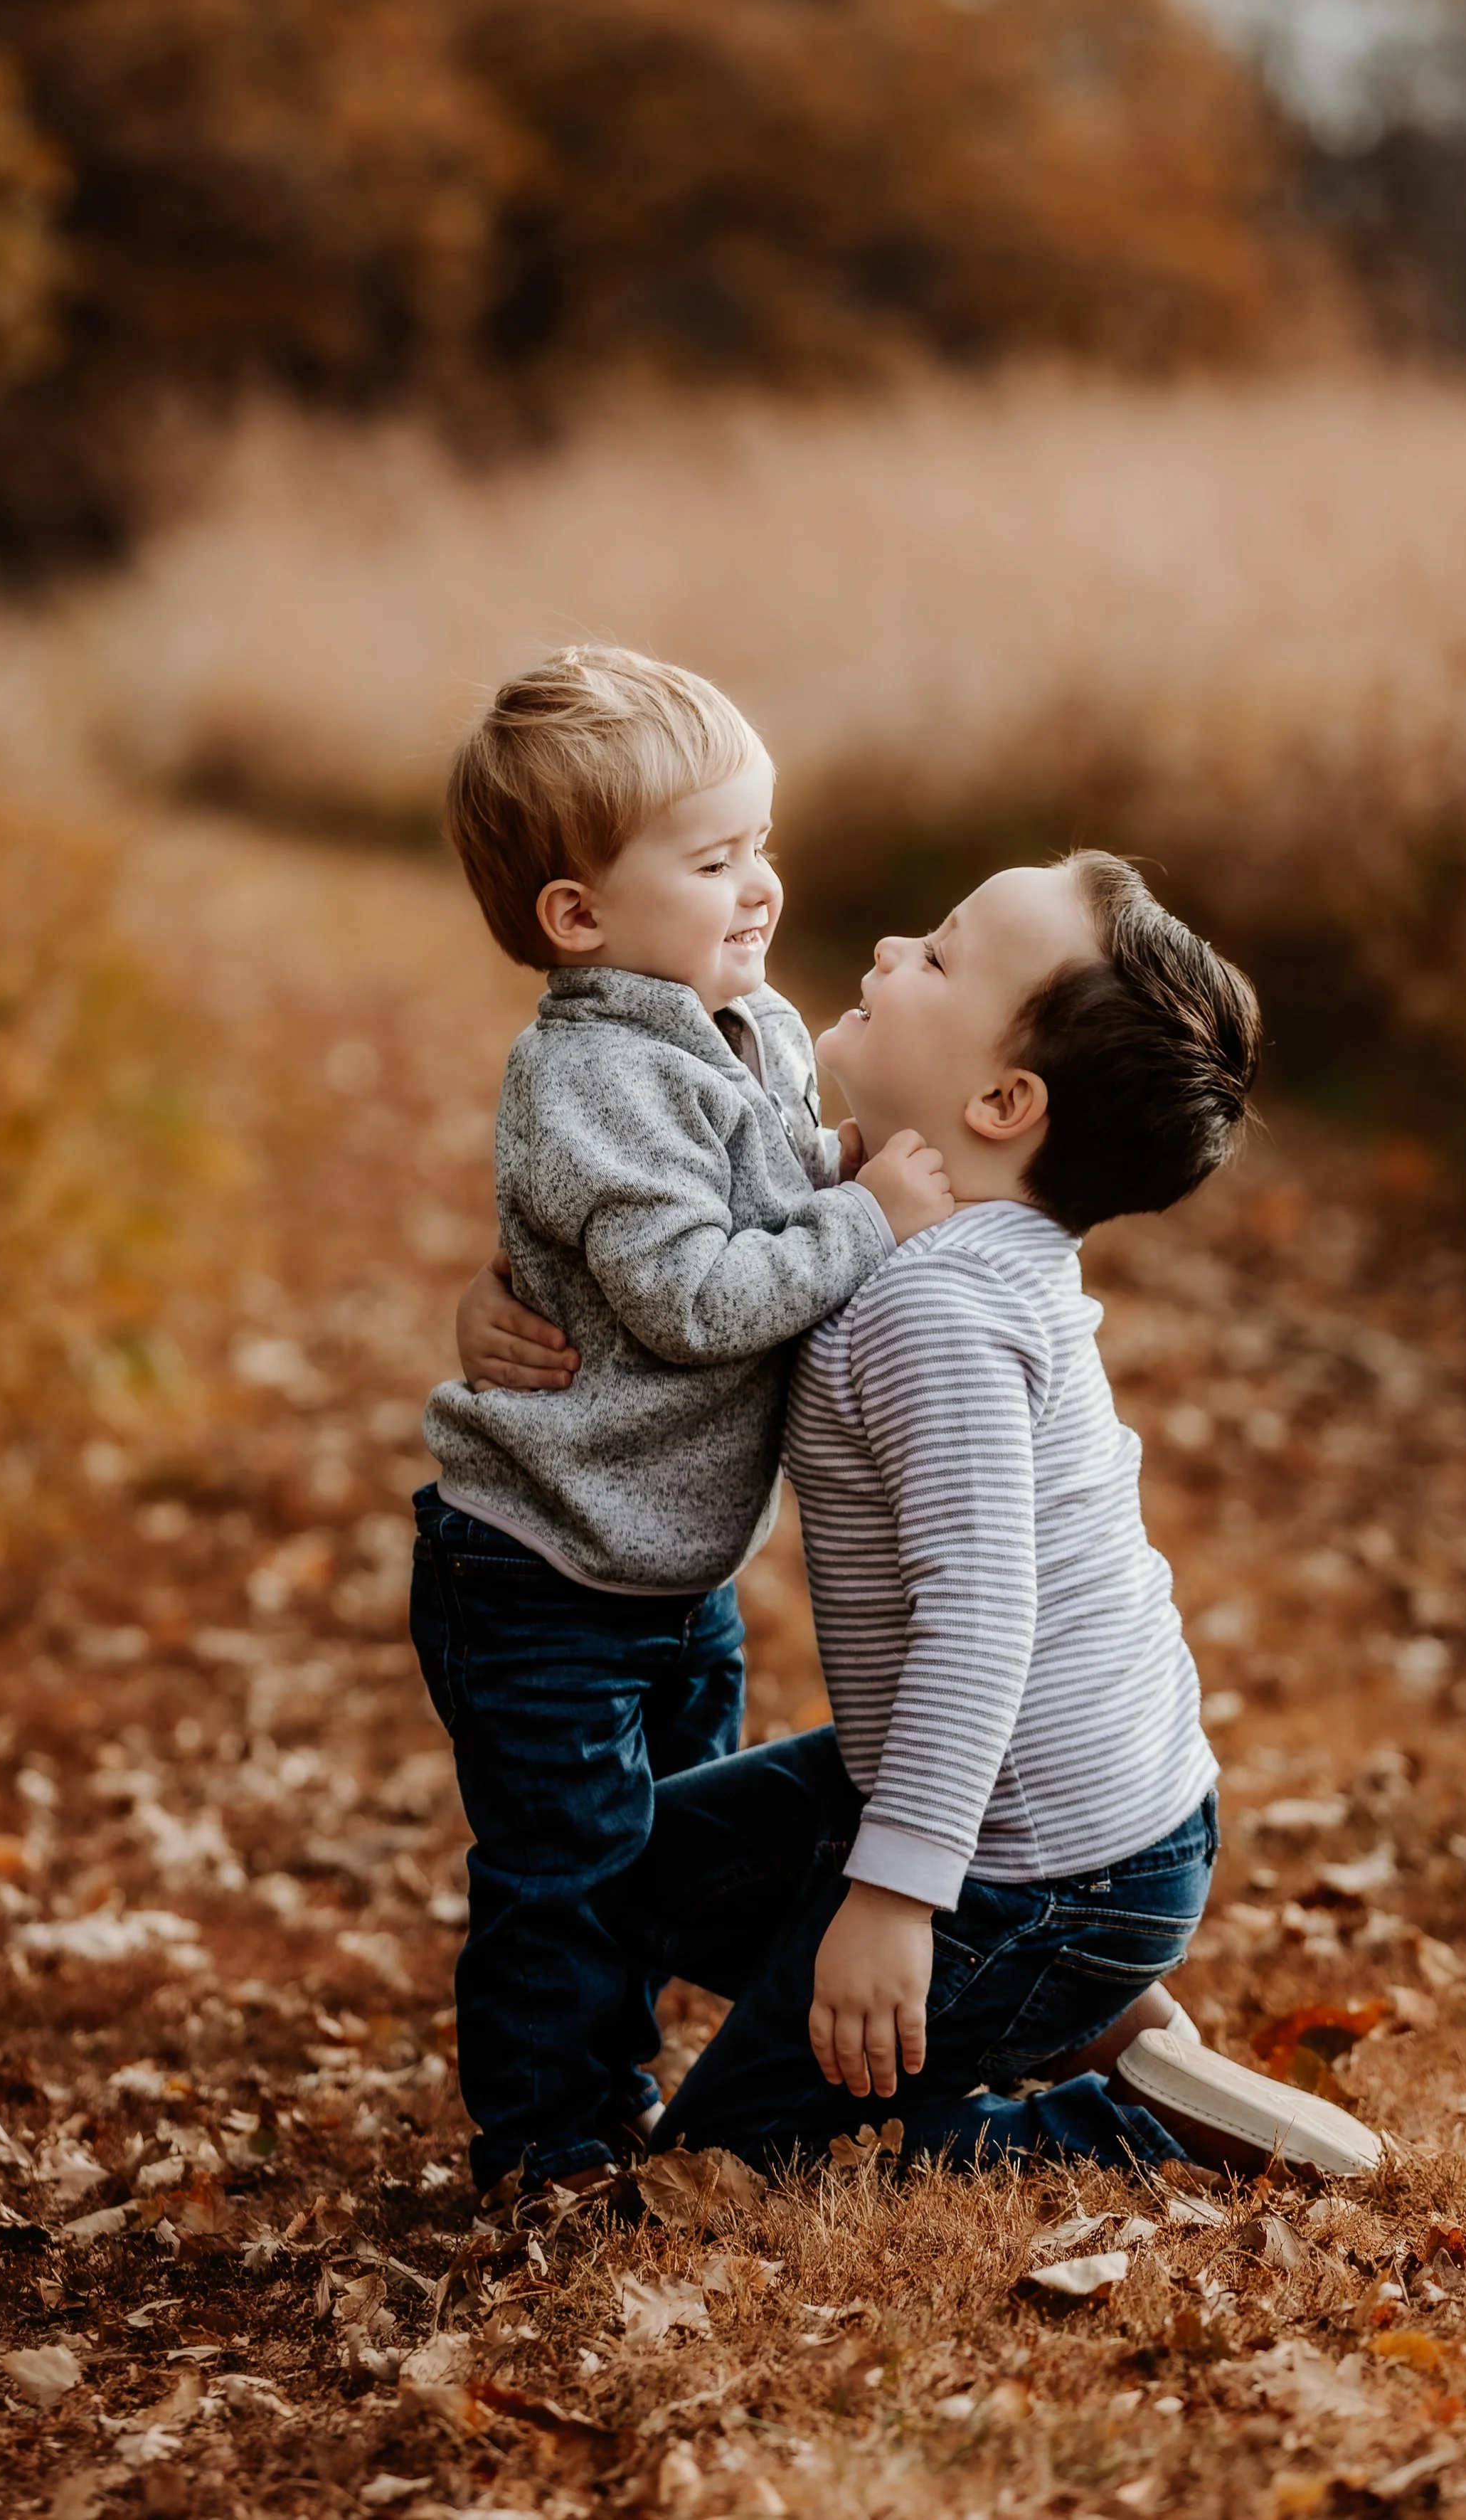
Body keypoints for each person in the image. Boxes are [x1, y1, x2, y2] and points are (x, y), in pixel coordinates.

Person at [467, 851, 1380, 2181]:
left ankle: (1111, 2114)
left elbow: (981, 1618)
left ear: (1004, 1101)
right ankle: (1076, 2008)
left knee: (743, 2156)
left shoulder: (935, 1311)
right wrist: (491, 1307)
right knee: (623, 1874)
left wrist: (896, 1900)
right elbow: (678, 1272)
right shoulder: (900, 1232)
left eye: (940, 956)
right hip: (1029, 1808)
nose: (893, 946)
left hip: (1048, 1859)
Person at [414, 645, 953, 2204]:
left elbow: (773, 1181)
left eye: (760, 845)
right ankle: (552, 2145)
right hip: (541, 1578)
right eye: (713, 861)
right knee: (565, 1876)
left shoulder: (746, 1021)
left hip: (667, 1574)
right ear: (578, 918)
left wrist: (858, 1161)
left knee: (649, 1861)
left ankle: (618, 2089)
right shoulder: (585, 1073)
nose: (760, 885)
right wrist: (870, 1219)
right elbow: (693, 1298)